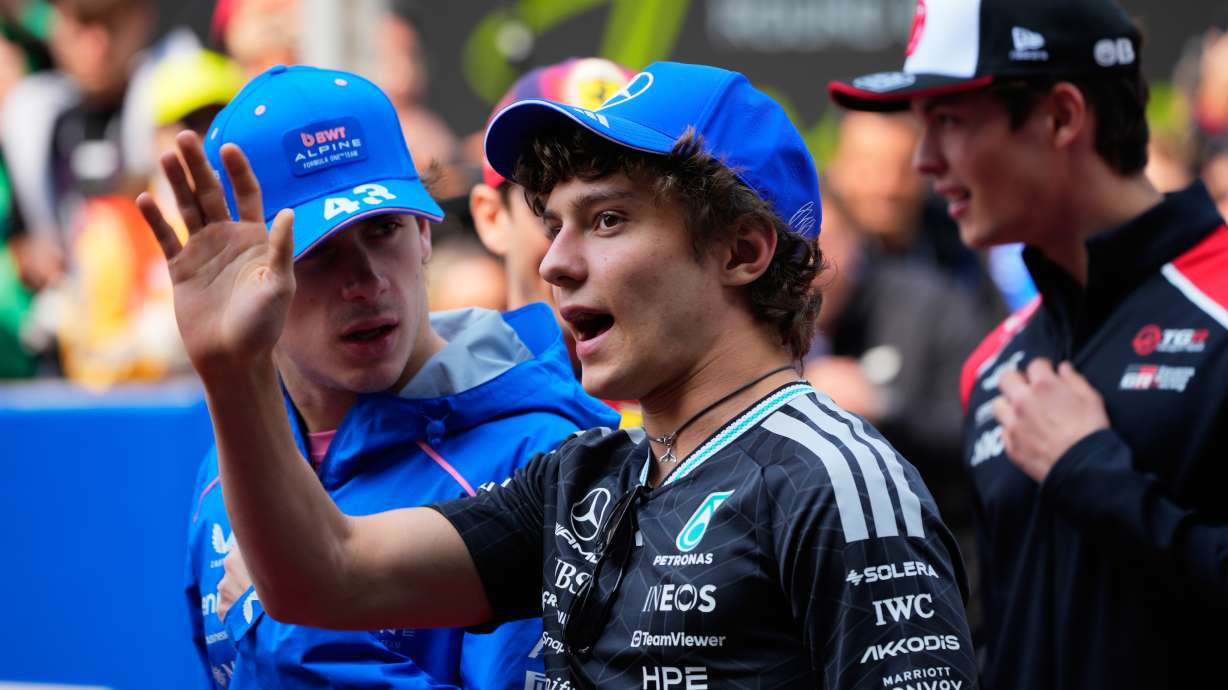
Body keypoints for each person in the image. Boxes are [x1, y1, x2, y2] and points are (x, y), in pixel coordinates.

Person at [142, 60, 976, 688]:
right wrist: (234, 369)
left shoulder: (833, 479)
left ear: (742, 250)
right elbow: (323, 576)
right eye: (553, 225)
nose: (554, 264)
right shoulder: (586, 478)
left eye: (607, 220)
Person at [166, 65, 616, 689]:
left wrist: (280, 622)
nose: (367, 281)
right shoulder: (229, 469)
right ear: (246, 278)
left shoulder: (542, 455)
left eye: (384, 229)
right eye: (318, 252)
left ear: (425, 232)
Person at [830, 1, 1228, 688]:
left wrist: (1091, 472)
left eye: (950, 122)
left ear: (1062, 116)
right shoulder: (995, 362)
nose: (924, 162)